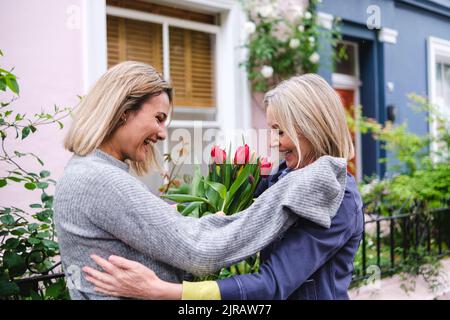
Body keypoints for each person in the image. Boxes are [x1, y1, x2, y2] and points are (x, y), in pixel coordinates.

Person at [54, 62, 347, 300]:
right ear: (122, 113)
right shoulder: (100, 179)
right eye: (158, 118)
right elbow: (200, 250)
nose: (162, 133)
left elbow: (270, 281)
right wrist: (307, 182)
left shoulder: (92, 173)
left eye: (279, 131)